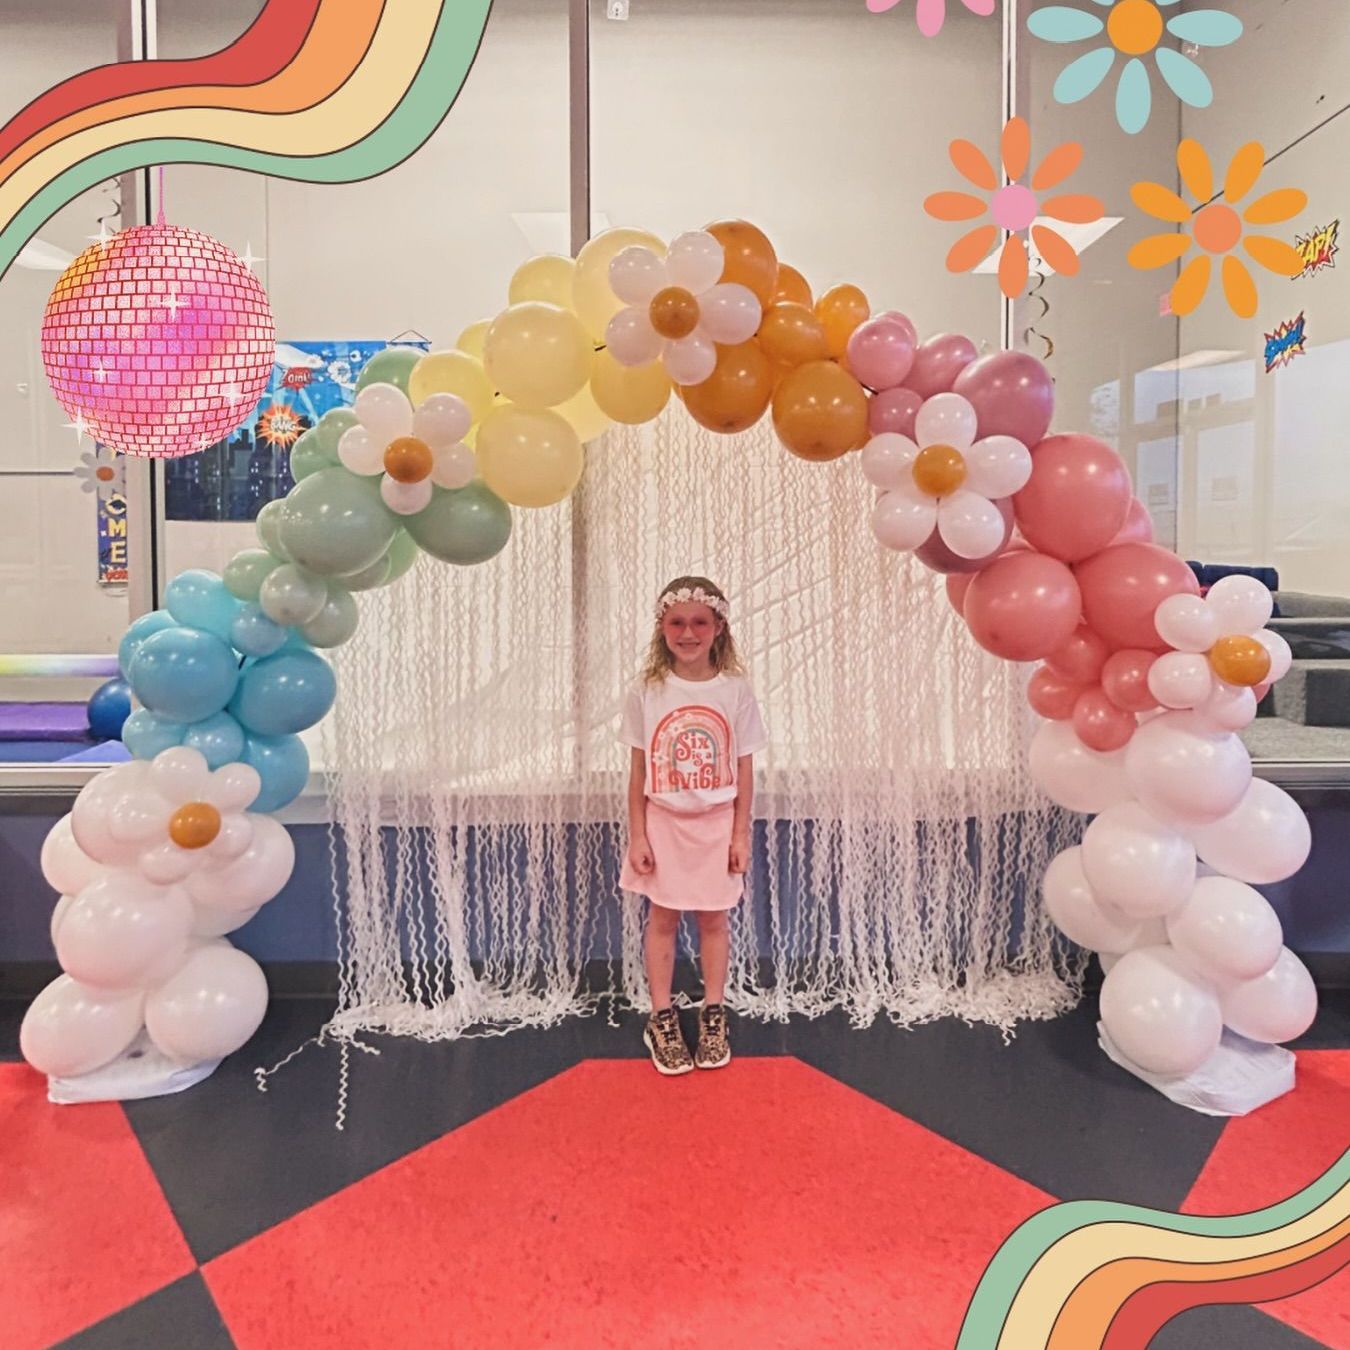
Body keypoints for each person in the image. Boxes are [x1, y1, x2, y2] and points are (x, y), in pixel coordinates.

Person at [619, 576, 767, 1075]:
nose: (688, 633)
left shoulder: (735, 691)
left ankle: (713, 1012)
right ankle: (661, 1016)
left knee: (713, 920)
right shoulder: (647, 691)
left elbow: (745, 769)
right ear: (661, 628)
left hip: (716, 825)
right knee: (663, 919)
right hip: (664, 823)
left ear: (718, 627)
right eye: (677, 623)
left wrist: (740, 834)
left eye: (699, 622)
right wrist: (638, 834)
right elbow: (638, 770)